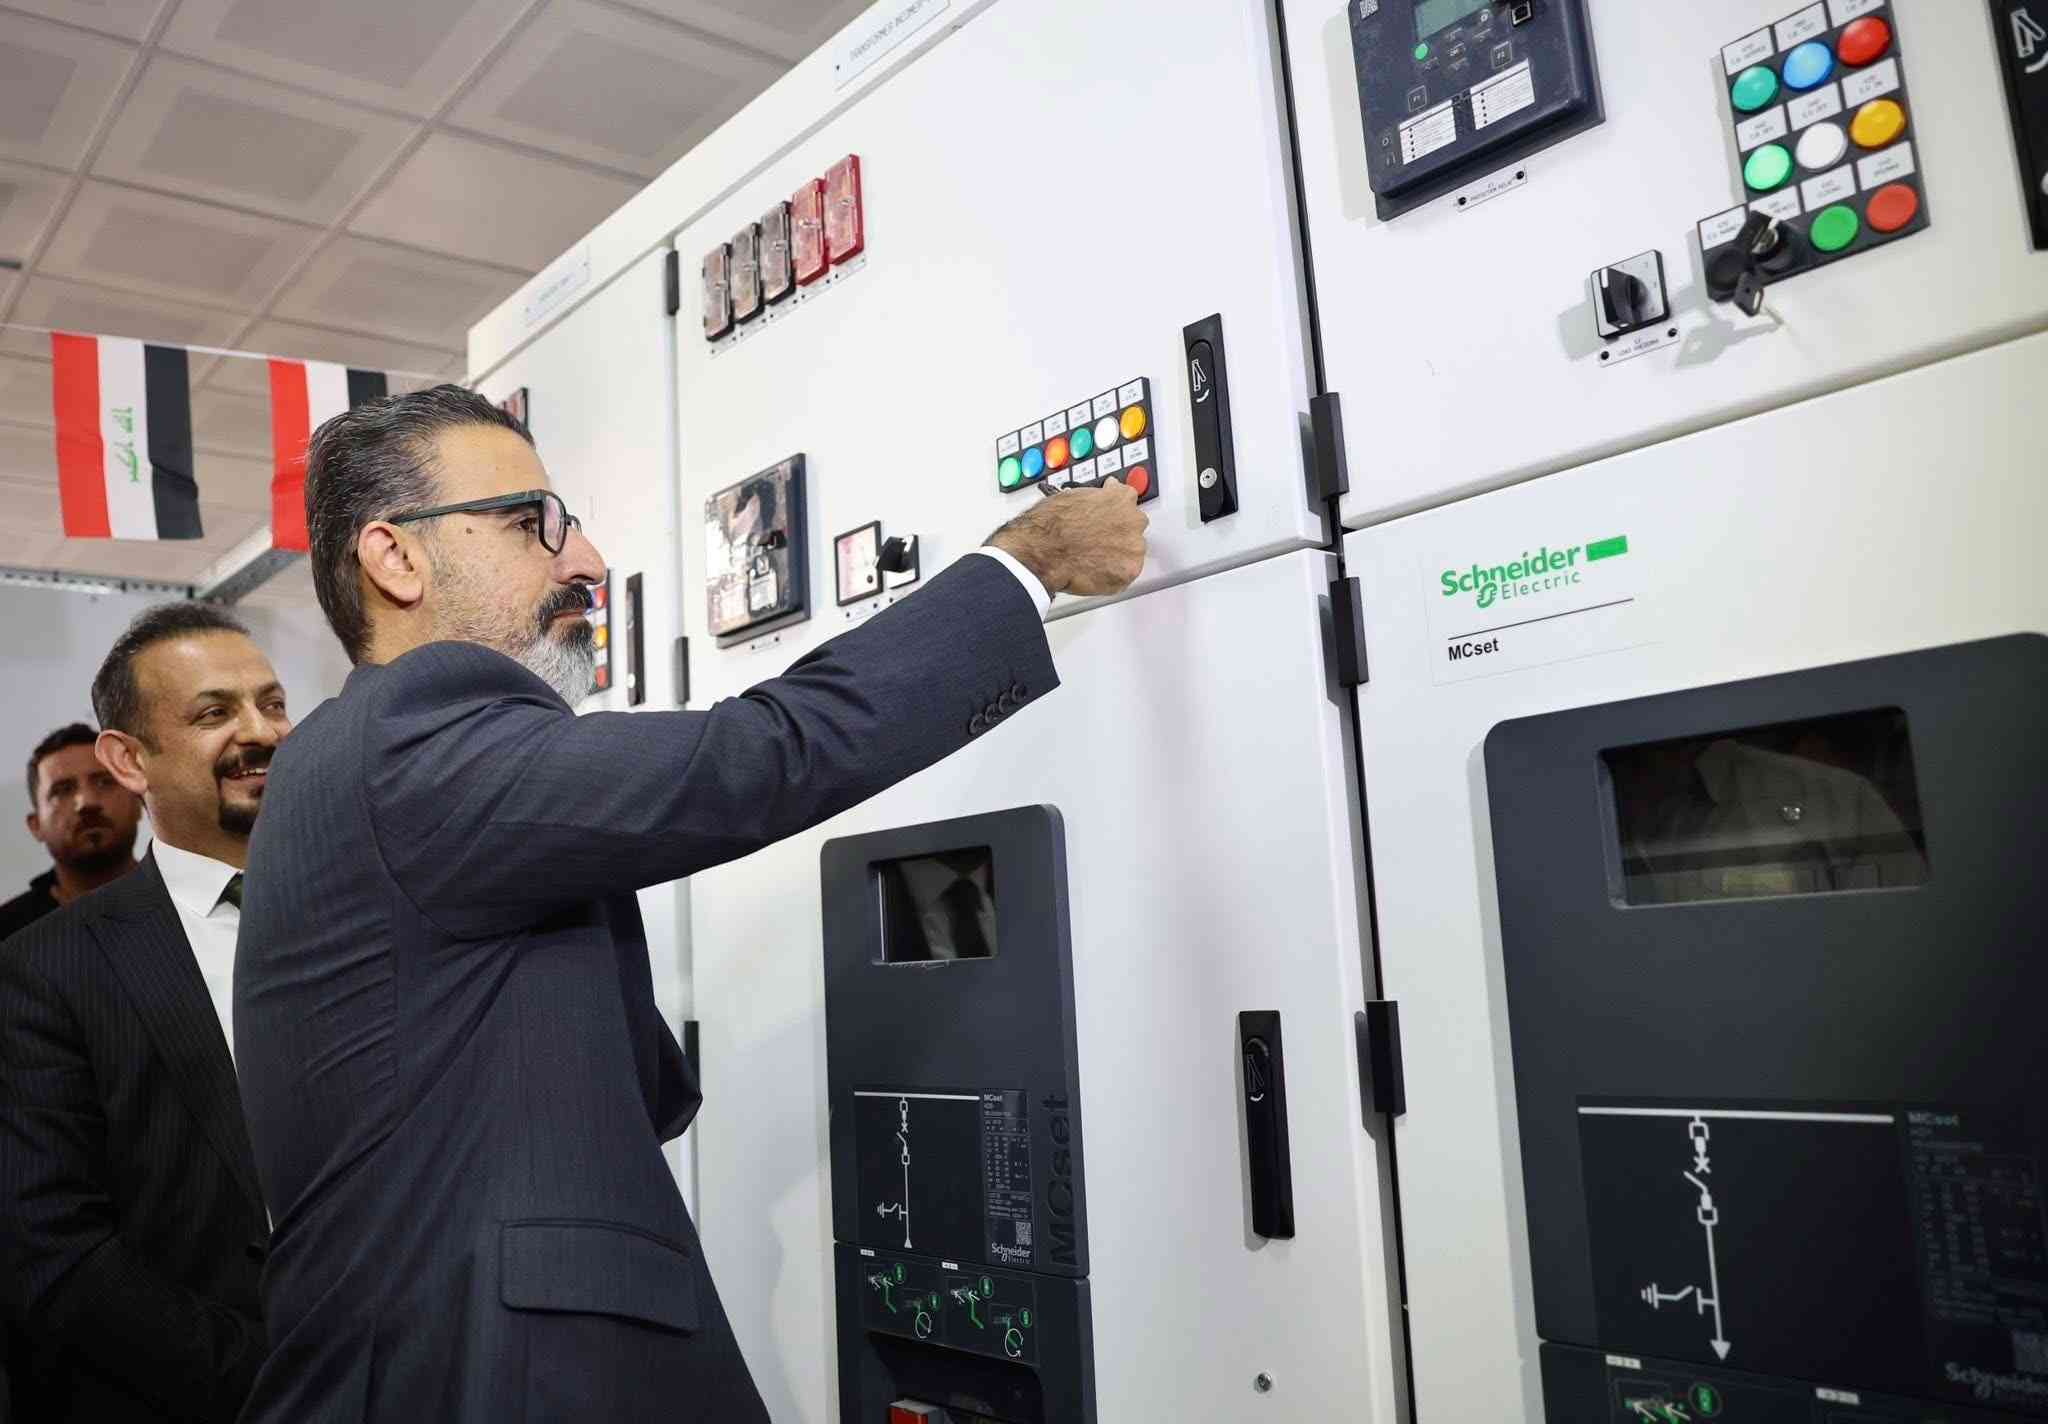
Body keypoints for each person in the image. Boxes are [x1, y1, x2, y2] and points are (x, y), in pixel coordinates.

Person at [233, 385, 1147, 1422]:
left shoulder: (351, 762)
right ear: (395, 557)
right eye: (533, 523)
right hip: (490, 1377)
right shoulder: (412, 738)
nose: (586, 561)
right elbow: (754, 757)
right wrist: (1024, 564)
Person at [0, 604, 288, 1422]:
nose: (260, 732)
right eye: (213, 712)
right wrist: (281, 1380)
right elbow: (55, 1255)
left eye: (271, 703)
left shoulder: (371, 916)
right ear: (129, 759)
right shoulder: (42, 971)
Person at [0, 723, 144, 941]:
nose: (87, 802)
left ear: (139, 803)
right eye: (63, 790)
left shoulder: (187, 898)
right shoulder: (8, 936)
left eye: (104, 782)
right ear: (36, 825)